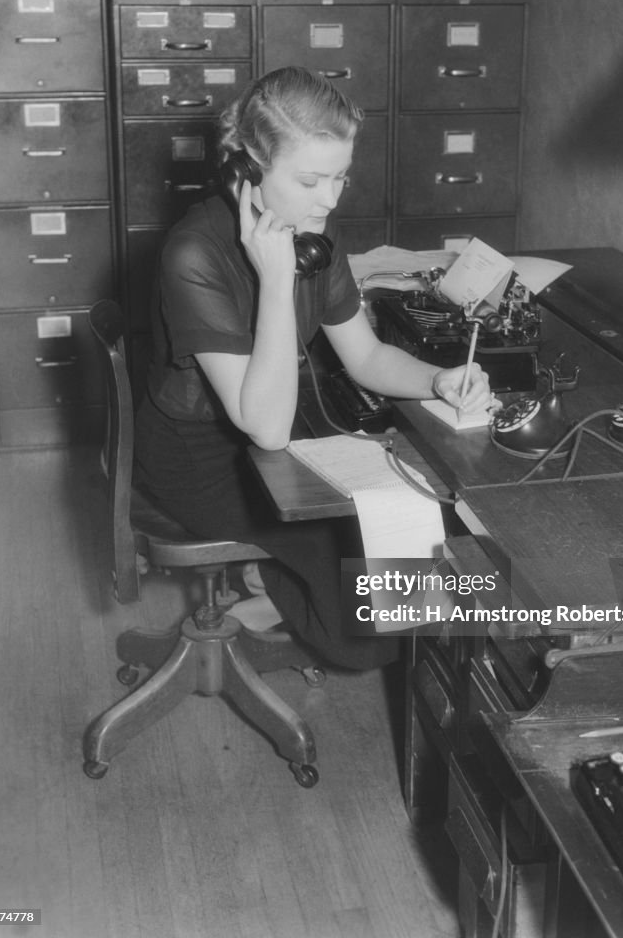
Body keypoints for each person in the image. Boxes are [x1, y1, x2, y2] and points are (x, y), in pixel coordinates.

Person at [134, 65, 491, 671]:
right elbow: (265, 428)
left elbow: (369, 357)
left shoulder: (314, 232)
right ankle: (282, 584)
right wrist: (275, 279)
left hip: (276, 440)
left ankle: (279, 575)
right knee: (370, 608)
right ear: (247, 166)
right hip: (200, 459)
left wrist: (438, 378)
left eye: (340, 178)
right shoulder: (194, 253)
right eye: (309, 180)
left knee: (418, 537)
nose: (329, 199)